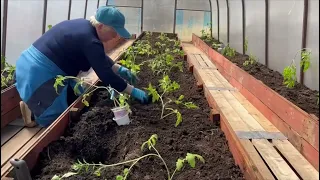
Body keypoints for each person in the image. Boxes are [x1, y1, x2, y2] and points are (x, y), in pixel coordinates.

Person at [15, 6, 150, 128]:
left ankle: (34, 101)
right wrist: (132, 91)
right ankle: (33, 111)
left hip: (29, 63)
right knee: (57, 122)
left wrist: (120, 69)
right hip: (40, 72)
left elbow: (97, 57)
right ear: (101, 26)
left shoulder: (83, 26)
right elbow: (106, 75)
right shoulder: (90, 40)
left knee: (78, 93)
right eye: (114, 31)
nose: (116, 36)